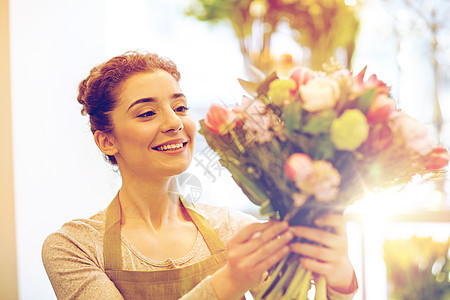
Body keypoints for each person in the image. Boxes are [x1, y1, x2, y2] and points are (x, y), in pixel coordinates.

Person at [42, 51, 358, 300]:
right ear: (106, 140)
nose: (175, 123)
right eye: (147, 113)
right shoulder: (73, 247)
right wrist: (229, 282)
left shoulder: (235, 230)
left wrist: (340, 275)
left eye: (180, 107)